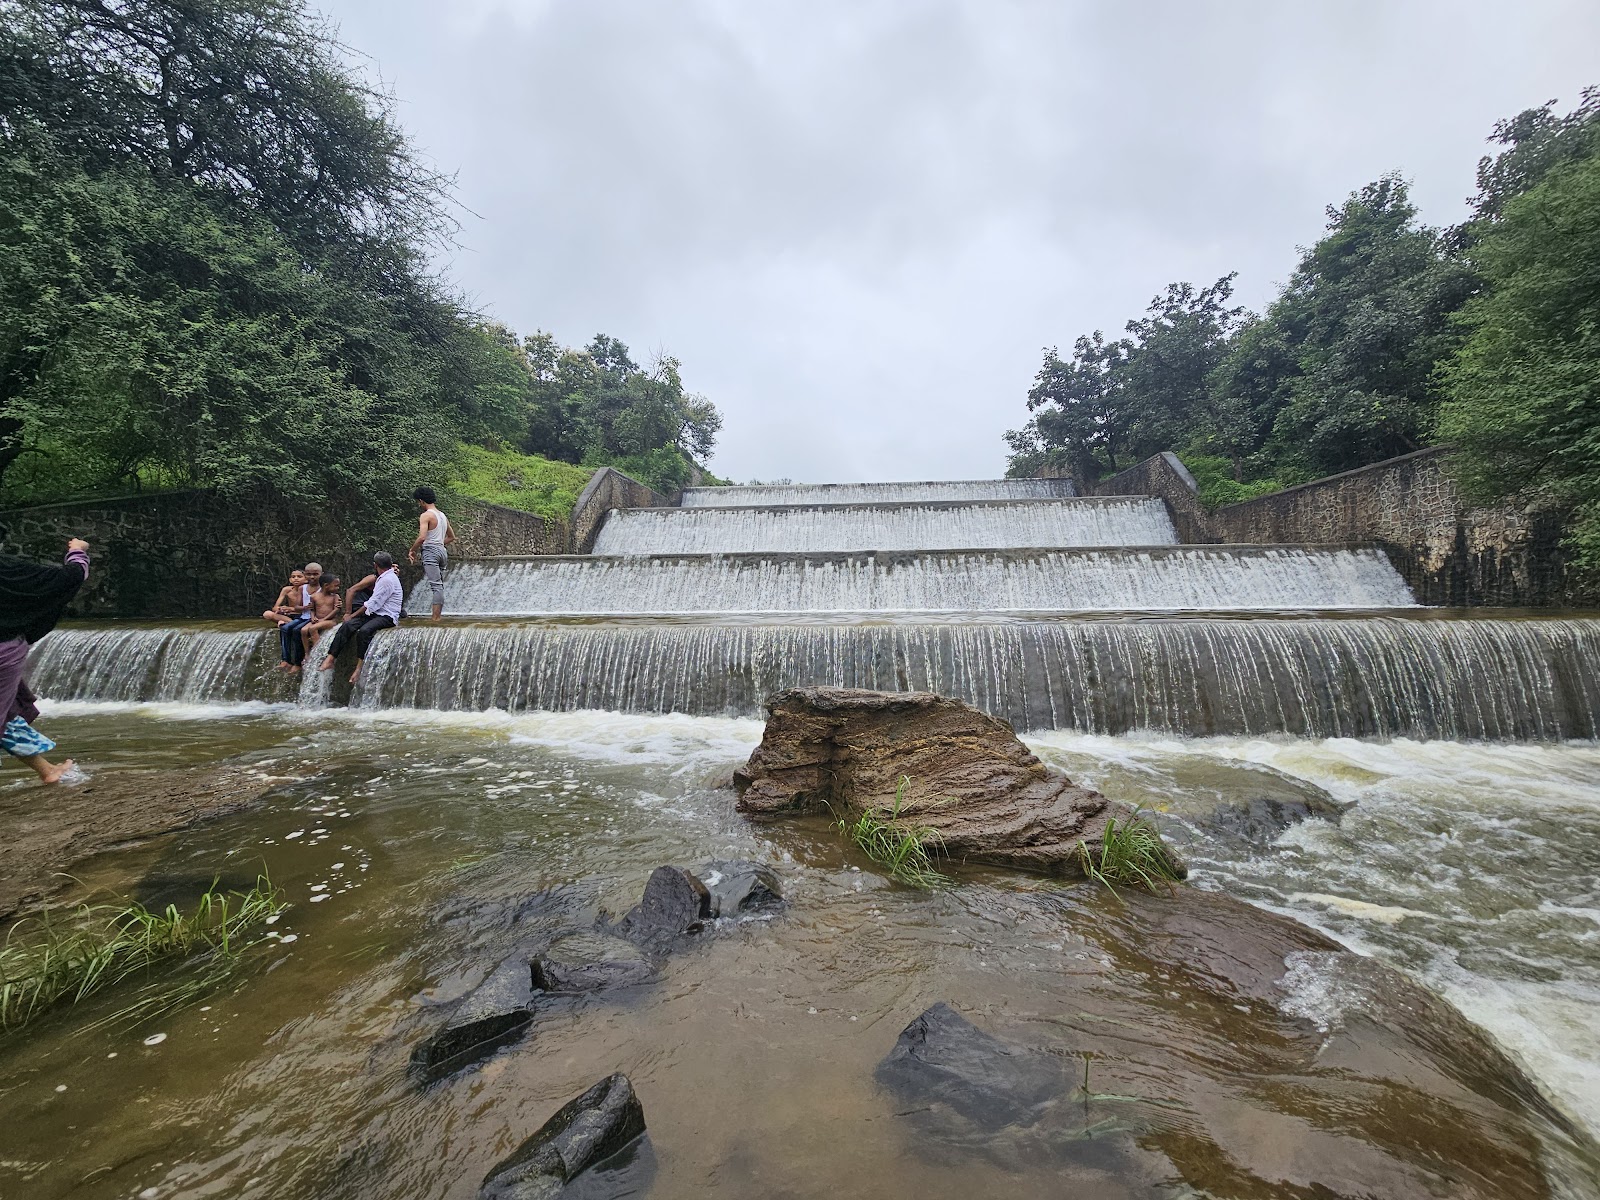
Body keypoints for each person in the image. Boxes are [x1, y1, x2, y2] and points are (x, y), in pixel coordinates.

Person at [0, 538, 90, 784]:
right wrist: (76, 551)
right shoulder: (12, 573)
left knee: (7, 713)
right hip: (4, 651)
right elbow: (70, 578)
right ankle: (47, 771)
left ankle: (47, 771)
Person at [318, 552, 403, 684]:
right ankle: (330, 658)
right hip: (375, 613)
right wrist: (350, 617)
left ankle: (359, 668)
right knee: (348, 625)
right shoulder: (384, 577)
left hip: (388, 616)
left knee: (364, 631)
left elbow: (373, 604)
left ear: (375, 565)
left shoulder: (387, 579)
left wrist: (351, 614)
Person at [407, 485, 454, 621]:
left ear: (421, 501)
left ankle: (436, 618)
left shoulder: (426, 516)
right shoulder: (443, 516)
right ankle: (437, 616)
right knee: (439, 585)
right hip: (442, 551)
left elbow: (422, 537)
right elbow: (451, 537)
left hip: (430, 552)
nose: (418, 504)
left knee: (436, 586)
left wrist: (412, 550)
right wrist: (439, 543)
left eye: (418, 502)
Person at [299, 575, 344, 664]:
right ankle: (307, 653)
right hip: (318, 620)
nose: (337, 588)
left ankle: (318, 652)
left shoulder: (335, 597)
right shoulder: (314, 596)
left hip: (330, 621)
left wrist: (324, 619)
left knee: (313, 628)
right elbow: (312, 609)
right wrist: (313, 617)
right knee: (303, 630)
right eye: (335, 585)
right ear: (326, 585)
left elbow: (336, 610)